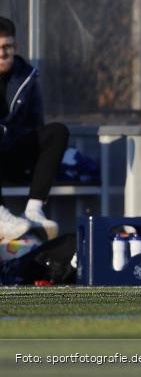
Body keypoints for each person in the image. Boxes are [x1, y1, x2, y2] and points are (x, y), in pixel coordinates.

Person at [0, 17, 67, 241]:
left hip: (13, 155)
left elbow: (36, 124)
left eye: (6, 47)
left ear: (15, 47)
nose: (2, 53)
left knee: (57, 132)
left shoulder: (26, 77)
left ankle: (34, 211)